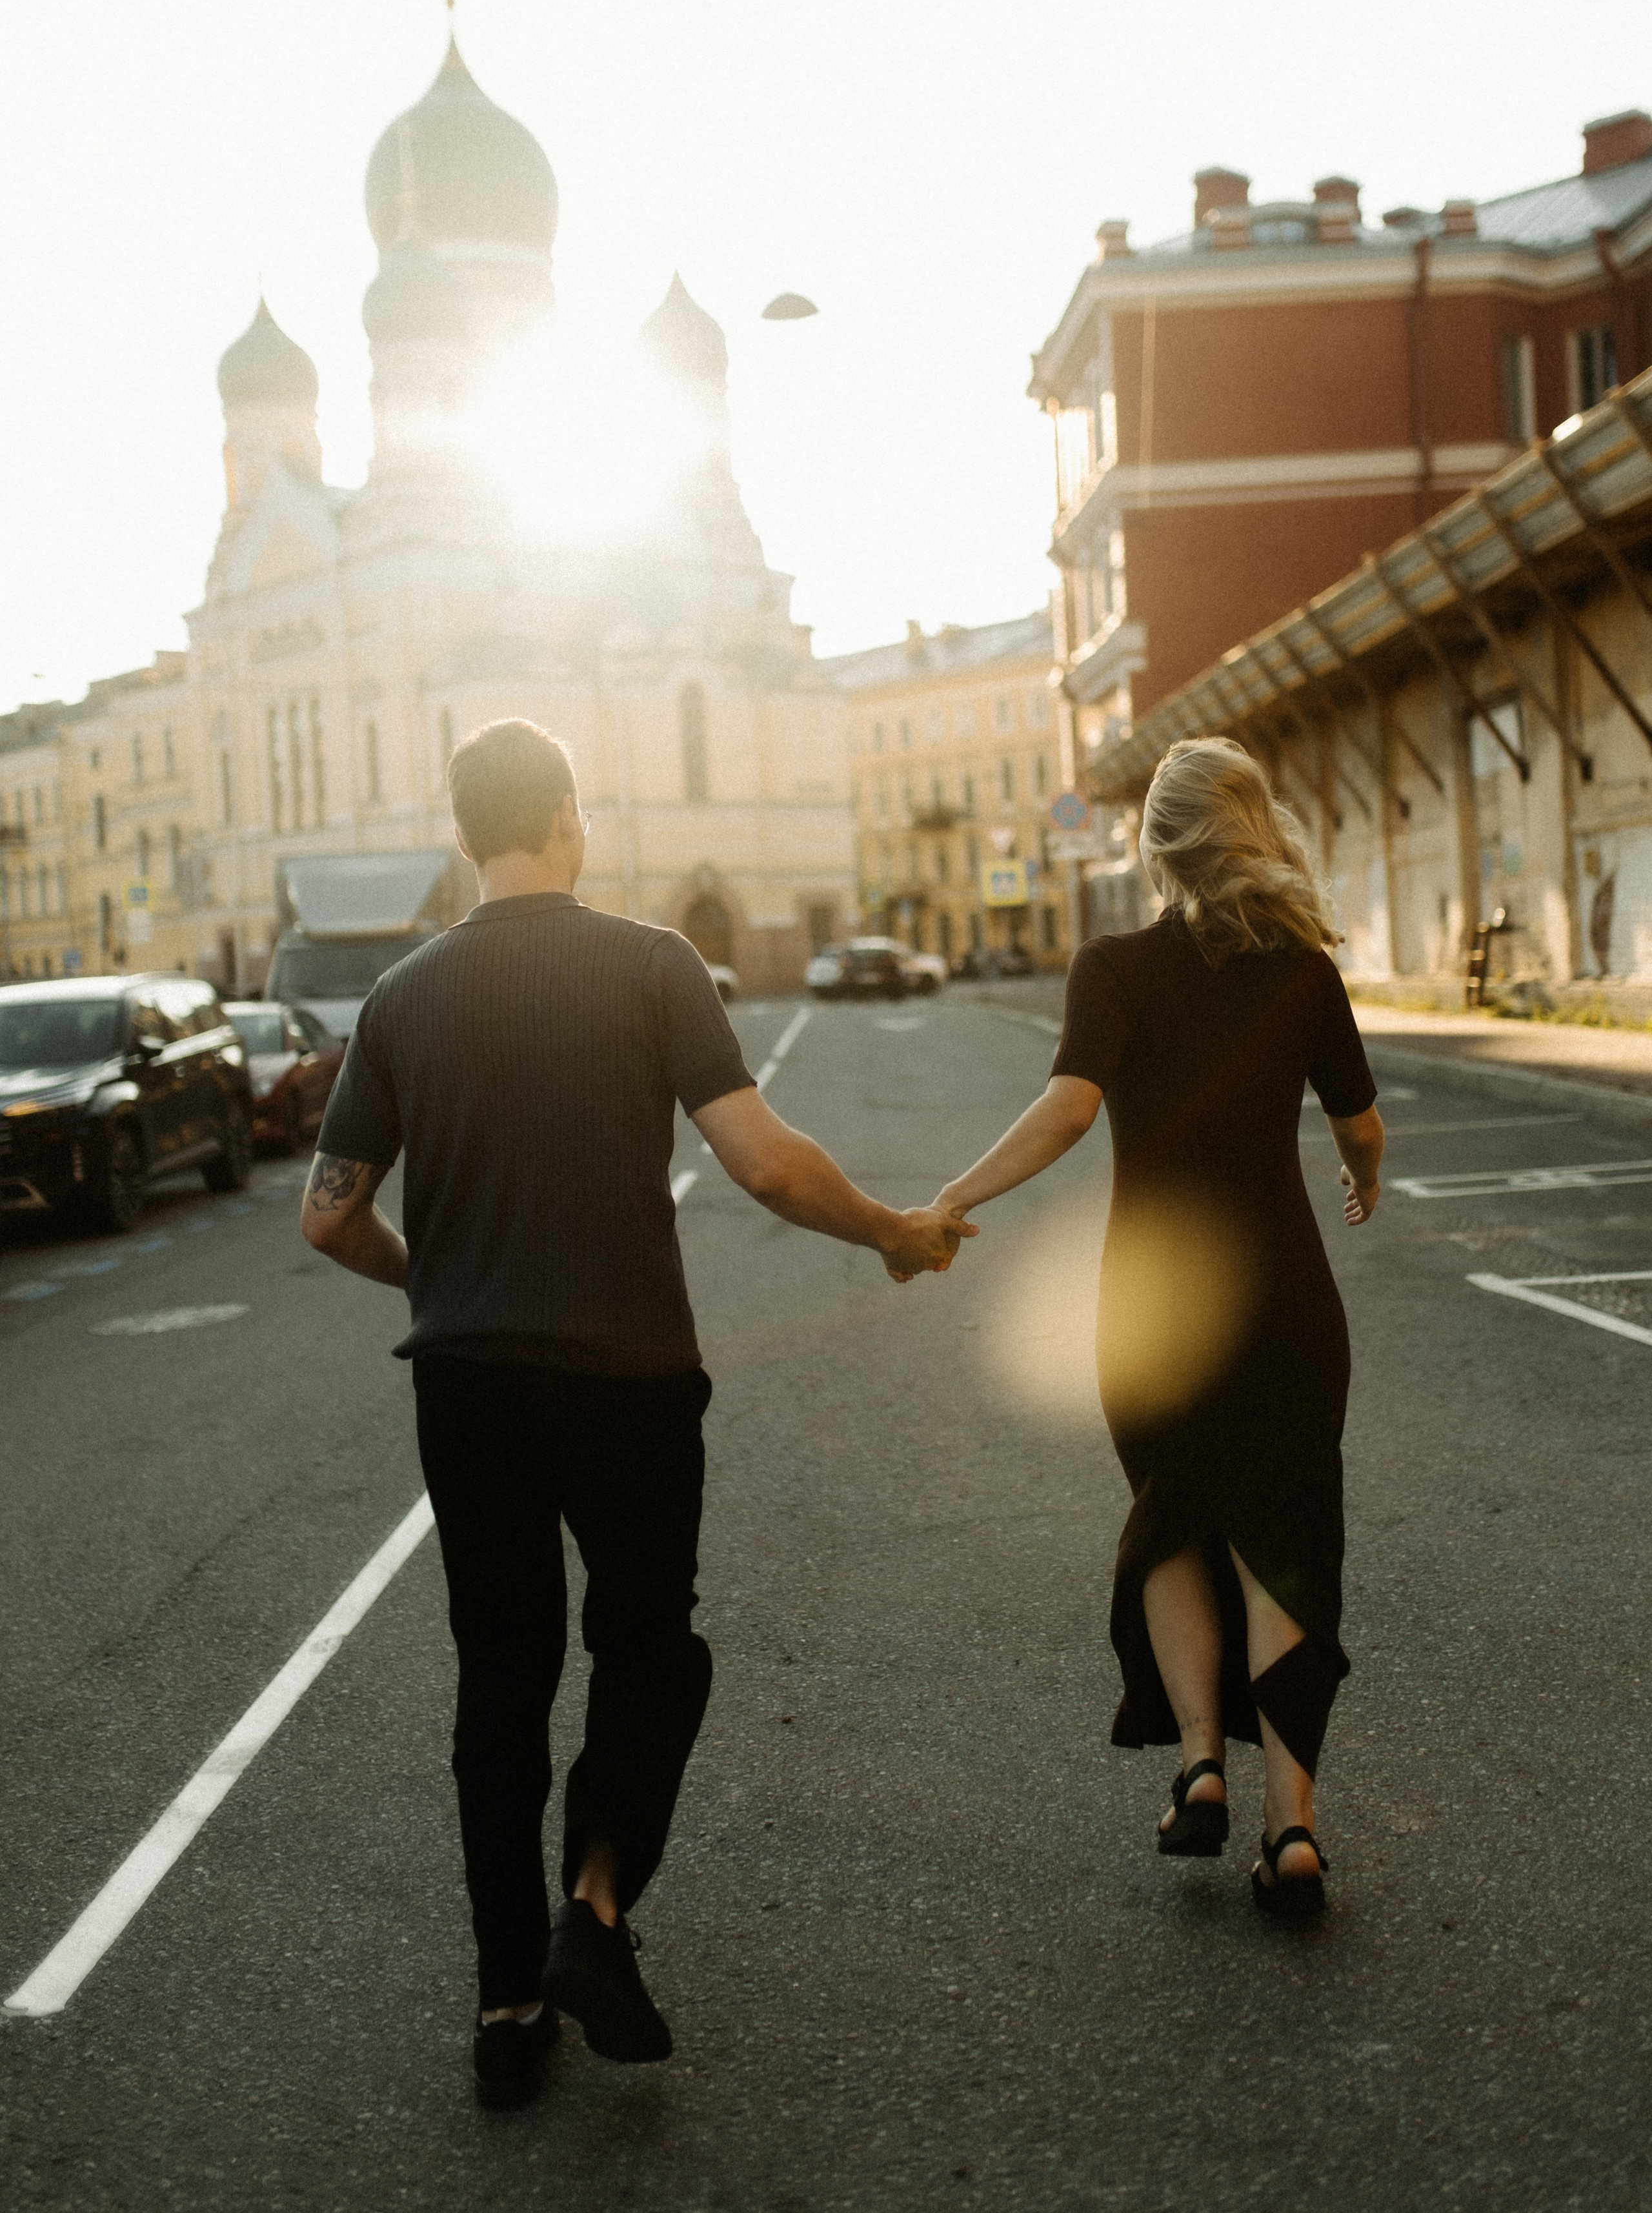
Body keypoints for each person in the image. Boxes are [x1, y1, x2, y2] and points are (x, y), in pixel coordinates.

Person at [299, 717, 972, 2104]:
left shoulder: (402, 996)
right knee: (649, 1652)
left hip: (466, 1383)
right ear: (566, 820)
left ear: (462, 831)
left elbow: (327, 1217)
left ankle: (503, 2006)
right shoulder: (648, 964)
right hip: (627, 1381)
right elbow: (766, 1166)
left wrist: (442, 1277)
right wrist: (893, 1232)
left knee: (501, 1678)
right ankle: (592, 1909)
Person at [929, 738, 1382, 1921]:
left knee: (1173, 1515)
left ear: (1155, 844)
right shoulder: (1303, 969)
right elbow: (1362, 1122)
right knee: (1285, 1547)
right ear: (1254, 828)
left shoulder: (1114, 966)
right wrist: (1360, 1175)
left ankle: (1198, 1766)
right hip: (1286, 1297)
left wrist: (957, 1194)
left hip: (1151, 1309)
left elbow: (1066, 1113)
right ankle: (1295, 1830)